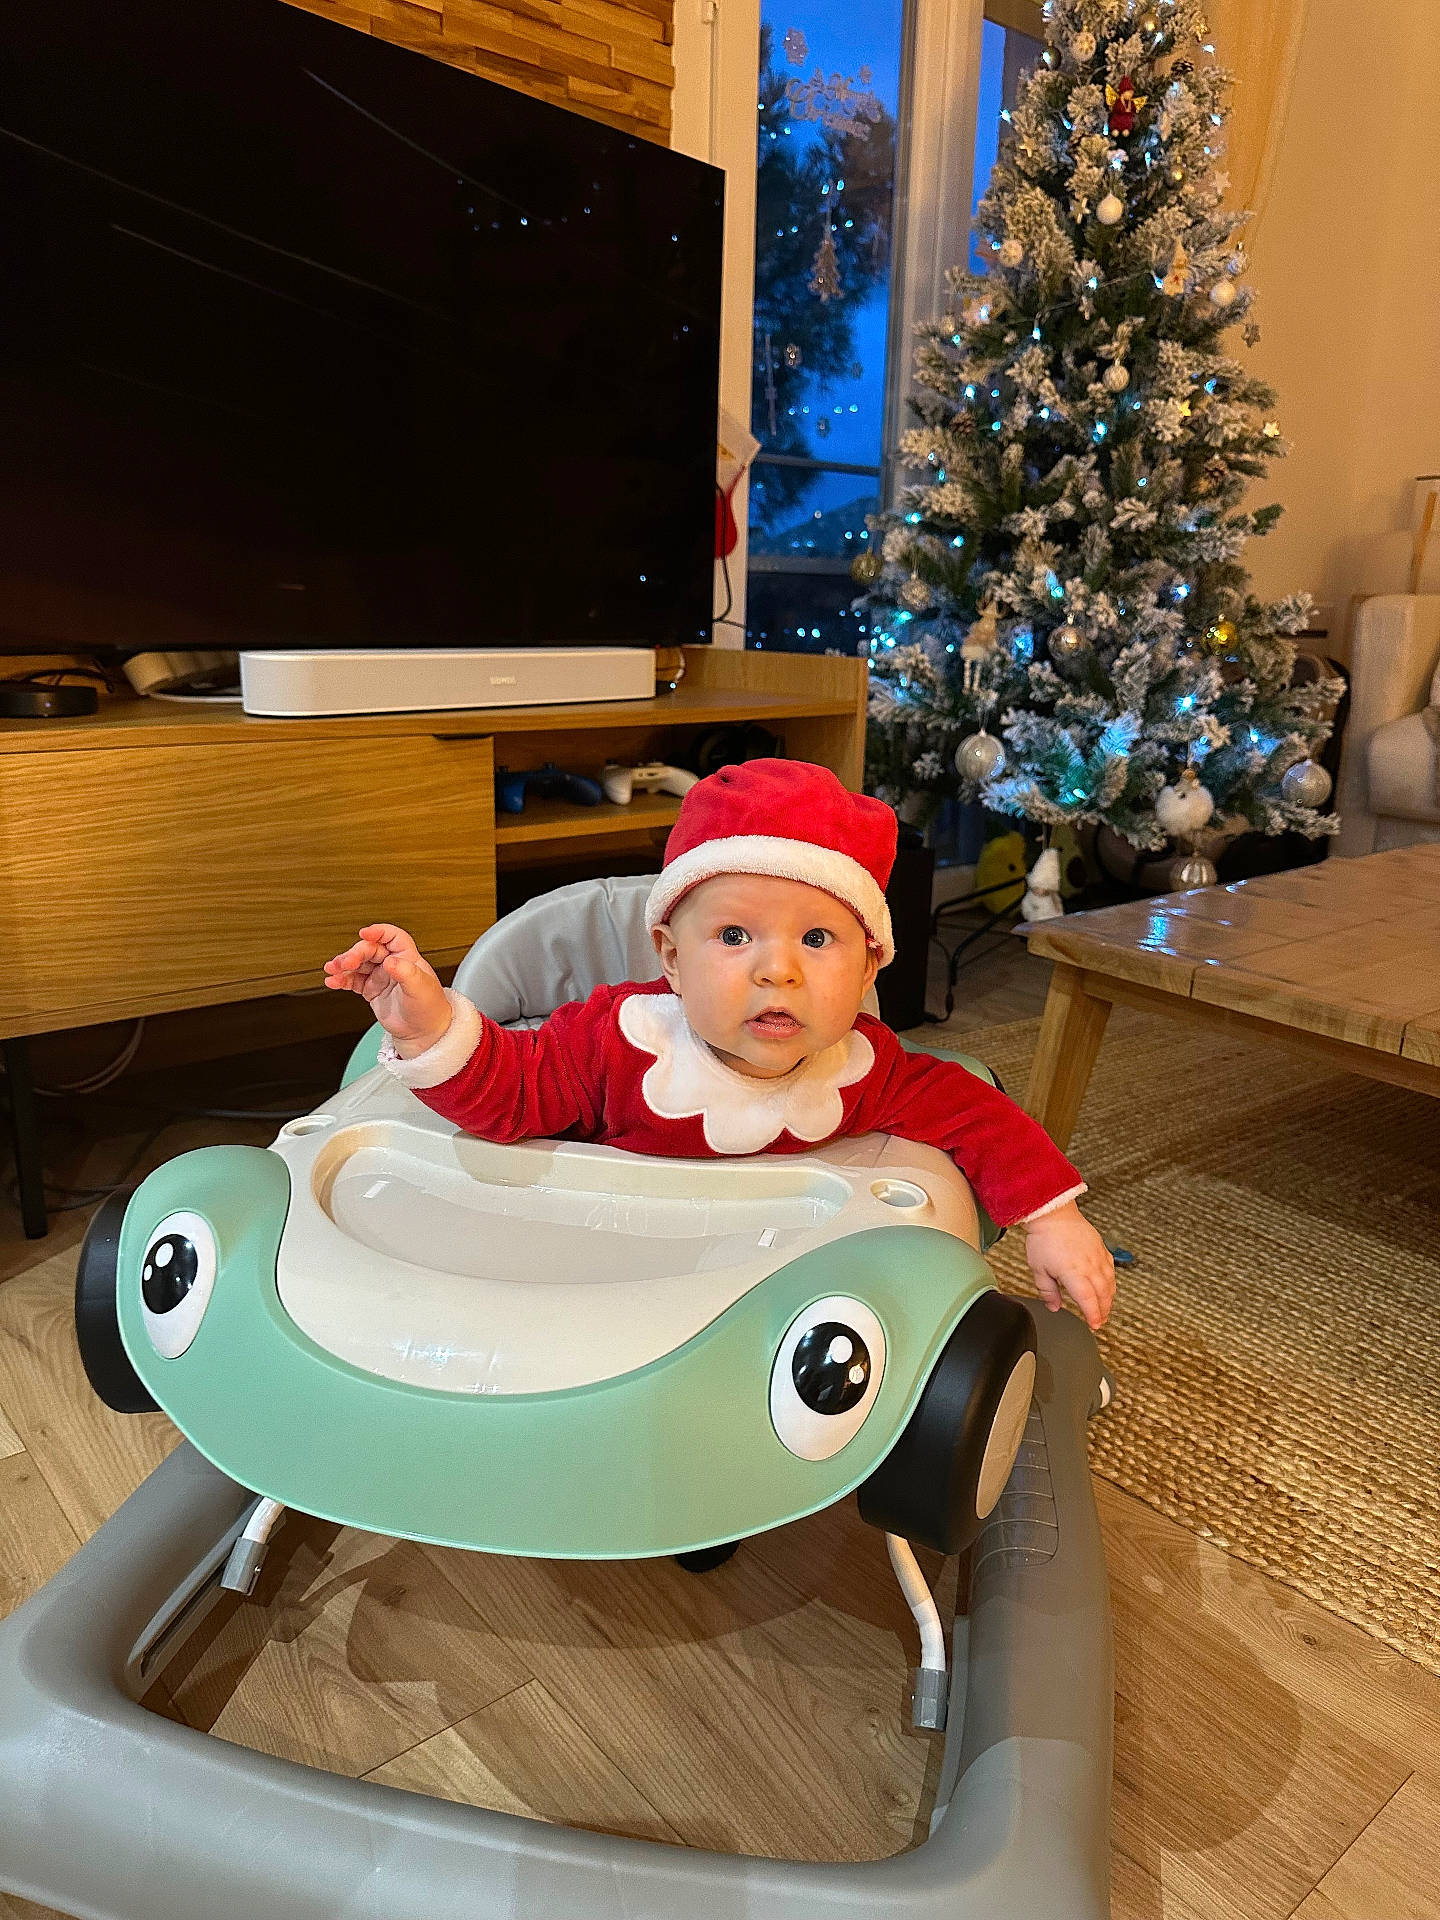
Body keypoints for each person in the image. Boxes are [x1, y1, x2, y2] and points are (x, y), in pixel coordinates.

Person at [324, 759, 1115, 1329]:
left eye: (817, 939)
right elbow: (509, 1095)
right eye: (735, 936)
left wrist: (1052, 1219)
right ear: (671, 959)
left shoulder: (866, 1069)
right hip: (606, 1293)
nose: (779, 970)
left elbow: (977, 1115)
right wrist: (428, 1025)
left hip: (767, 1304)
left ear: (870, 965)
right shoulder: (614, 1042)